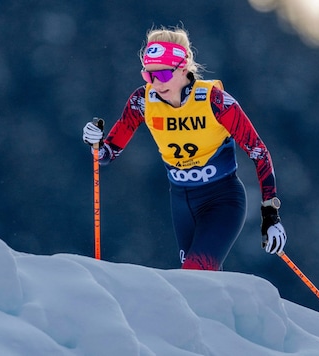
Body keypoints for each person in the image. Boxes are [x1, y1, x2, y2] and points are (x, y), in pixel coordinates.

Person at [83, 26, 286, 270]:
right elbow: (107, 154)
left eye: (164, 75)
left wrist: (270, 214)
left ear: (183, 67)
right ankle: (228, 309)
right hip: (181, 203)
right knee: (200, 284)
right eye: (149, 75)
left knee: (194, 274)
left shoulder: (215, 101)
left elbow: (258, 153)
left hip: (222, 199)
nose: (156, 83)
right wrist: (95, 142)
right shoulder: (142, 101)